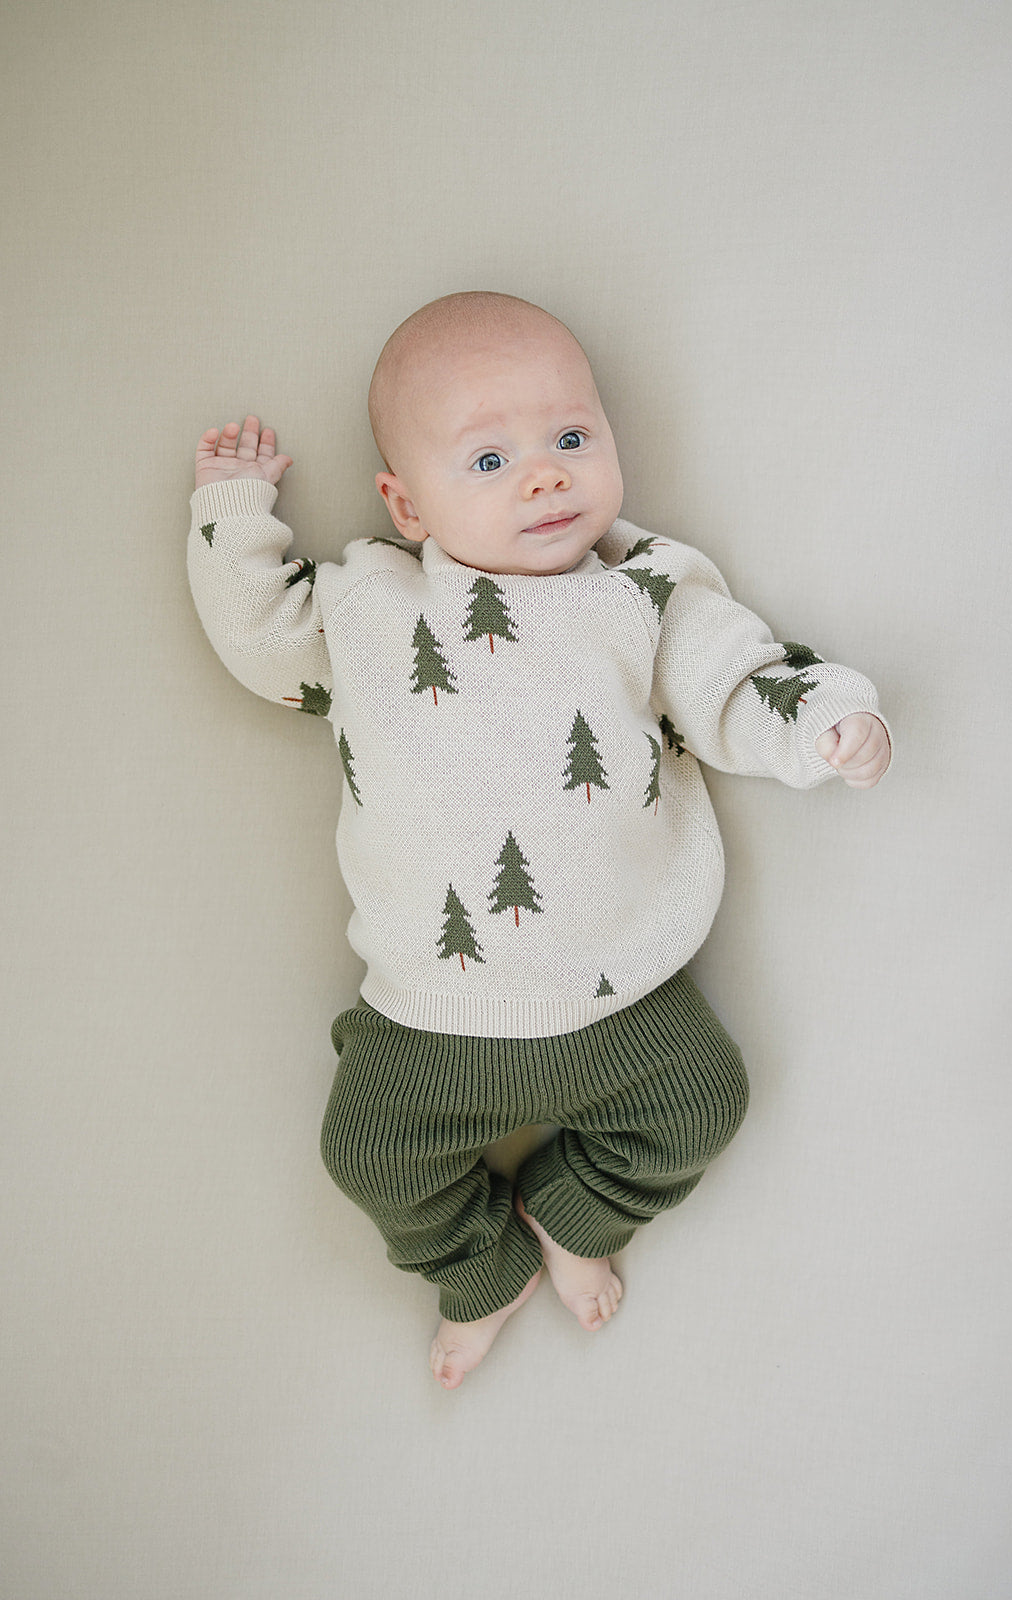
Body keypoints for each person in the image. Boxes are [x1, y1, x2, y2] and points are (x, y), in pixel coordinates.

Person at [188, 291, 891, 1390]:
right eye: (489, 460)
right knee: (364, 1155)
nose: (547, 475)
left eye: (571, 438)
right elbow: (264, 638)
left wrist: (822, 724)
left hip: (626, 999)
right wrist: (234, 513)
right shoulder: (372, 605)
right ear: (405, 505)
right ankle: (478, 1266)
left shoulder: (645, 589)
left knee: (705, 1104)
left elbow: (737, 680)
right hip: (425, 1012)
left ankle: (573, 1212)